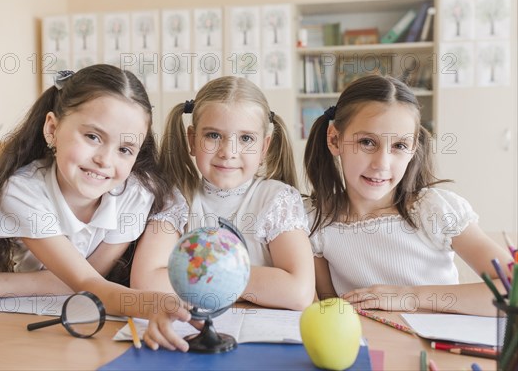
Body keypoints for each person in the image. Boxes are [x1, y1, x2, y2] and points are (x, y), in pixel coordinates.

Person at [0, 65, 193, 351]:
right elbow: (85, 280)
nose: (104, 159)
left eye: (124, 149)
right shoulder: (22, 192)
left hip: (91, 320)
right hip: (22, 326)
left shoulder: (135, 193)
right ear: (52, 129)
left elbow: (90, 278)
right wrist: (149, 303)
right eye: (93, 137)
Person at [304, 74, 513, 316]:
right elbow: (330, 313)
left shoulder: (434, 210)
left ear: (413, 149)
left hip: (439, 348)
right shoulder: (316, 222)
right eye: (367, 142)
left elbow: (513, 293)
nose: (381, 163)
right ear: (334, 139)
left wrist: (409, 296)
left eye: (399, 146)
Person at [130, 76, 315, 311]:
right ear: (192, 140)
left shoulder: (277, 201)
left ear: (264, 148)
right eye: (213, 136)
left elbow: (298, 292)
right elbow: (145, 283)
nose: (228, 152)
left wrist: (204, 281)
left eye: (246, 138)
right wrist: (255, 286)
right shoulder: (176, 199)